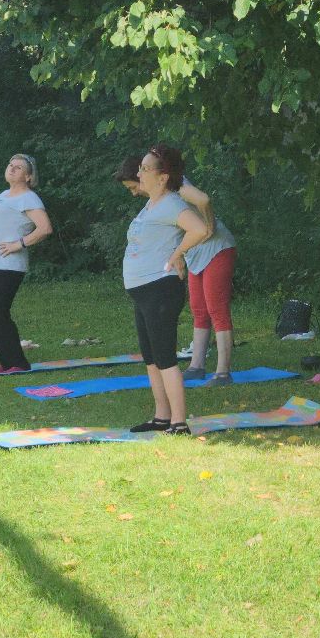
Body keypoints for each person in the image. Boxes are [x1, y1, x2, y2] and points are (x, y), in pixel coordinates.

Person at [115, 146, 209, 434]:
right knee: (151, 357)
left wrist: (177, 253)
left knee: (165, 357)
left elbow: (200, 229)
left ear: (163, 176)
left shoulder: (171, 204)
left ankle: (179, 422)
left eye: (145, 168)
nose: (139, 173)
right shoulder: (151, 205)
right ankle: (161, 416)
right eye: (140, 168)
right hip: (143, 291)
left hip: (160, 290)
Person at [0, 154, 53, 374]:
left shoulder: (29, 198)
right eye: (10, 165)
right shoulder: (3, 195)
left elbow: (44, 228)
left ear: (28, 176)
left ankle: (18, 363)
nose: (12, 168)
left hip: (6, 264)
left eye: (18, 167)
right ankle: (6, 361)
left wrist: (19, 244)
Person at [177, 179, 238, 383]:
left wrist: (210, 226)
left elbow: (203, 200)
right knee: (199, 310)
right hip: (195, 254)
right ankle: (197, 366)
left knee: (217, 309)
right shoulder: (158, 194)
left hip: (217, 249)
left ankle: (223, 372)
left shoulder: (178, 185)